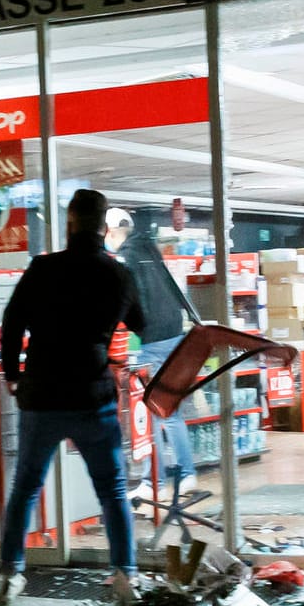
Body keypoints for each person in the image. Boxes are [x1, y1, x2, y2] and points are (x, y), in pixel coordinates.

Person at [0, 189, 147, 606]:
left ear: (69, 223)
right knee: (113, 492)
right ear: (104, 228)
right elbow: (141, 321)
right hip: (92, 398)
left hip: (42, 396)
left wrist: (12, 374)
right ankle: (124, 577)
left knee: (25, 487)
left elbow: (12, 323)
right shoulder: (118, 274)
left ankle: (9, 574)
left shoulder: (42, 269)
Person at [106, 206, 199, 501]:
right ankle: (184, 476)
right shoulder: (150, 248)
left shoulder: (128, 257)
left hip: (153, 342)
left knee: (148, 415)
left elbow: (131, 300)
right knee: (169, 413)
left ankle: (154, 482)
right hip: (175, 336)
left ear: (112, 231)